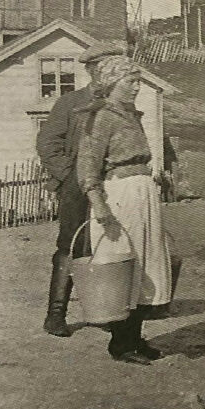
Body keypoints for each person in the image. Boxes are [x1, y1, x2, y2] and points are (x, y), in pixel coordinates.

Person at [76, 55, 173, 365]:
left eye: (138, 82)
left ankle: (135, 338)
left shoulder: (131, 115)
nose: (136, 87)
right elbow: (88, 166)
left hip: (142, 193)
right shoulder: (100, 117)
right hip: (119, 196)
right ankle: (121, 344)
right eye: (131, 82)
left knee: (145, 267)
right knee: (122, 267)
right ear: (112, 83)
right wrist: (100, 206)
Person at [36, 44, 125, 337]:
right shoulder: (70, 103)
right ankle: (56, 315)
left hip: (115, 184)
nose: (104, 76)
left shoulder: (121, 104)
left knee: (113, 243)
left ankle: (108, 309)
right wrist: (70, 178)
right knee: (72, 245)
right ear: (90, 71)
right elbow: (48, 144)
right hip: (77, 186)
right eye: (100, 69)